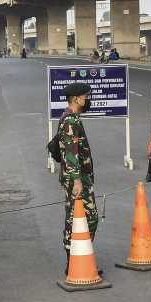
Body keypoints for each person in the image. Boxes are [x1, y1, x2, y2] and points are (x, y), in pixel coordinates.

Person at [57, 82, 98, 274]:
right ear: (76, 99)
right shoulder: (71, 120)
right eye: (86, 96)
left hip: (79, 177)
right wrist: (77, 181)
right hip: (77, 178)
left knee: (79, 217)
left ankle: (77, 260)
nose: (87, 99)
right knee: (84, 218)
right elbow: (71, 154)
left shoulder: (72, 117)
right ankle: (74, 261)